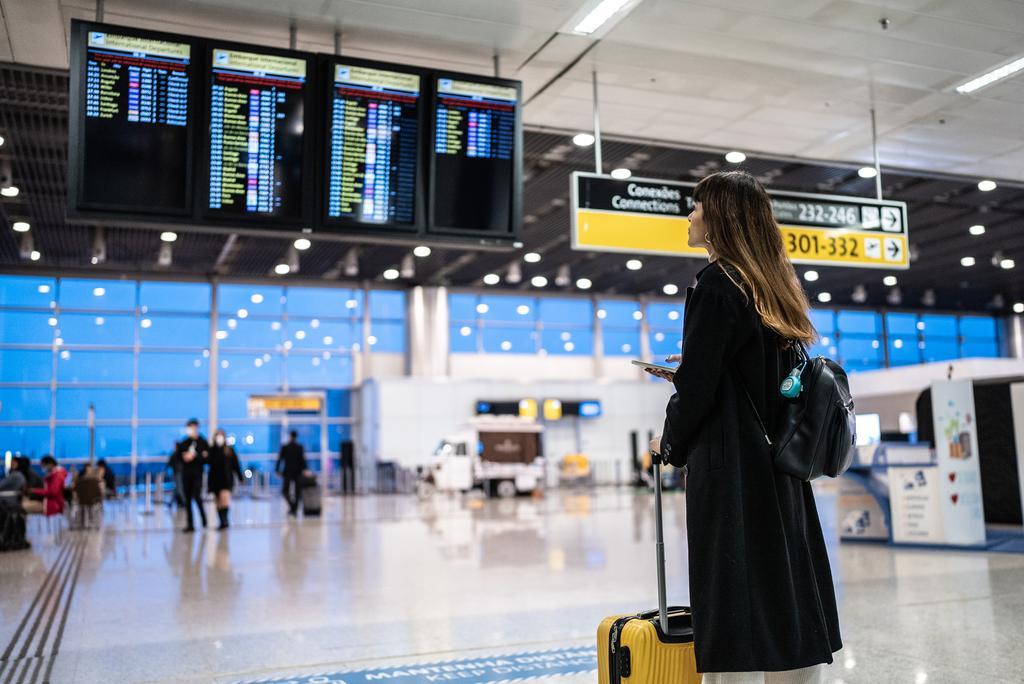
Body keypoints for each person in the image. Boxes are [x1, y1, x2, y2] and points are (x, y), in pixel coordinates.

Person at [648, 171, 841, 682]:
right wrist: (695, 363)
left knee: (730, 590)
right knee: (785, 586)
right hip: (780, 463)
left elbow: (699, 390)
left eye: (696, 207)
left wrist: (669, 442)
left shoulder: (717, 283)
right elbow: (759, 371)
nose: (689, 217)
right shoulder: (770, 281)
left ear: (719, 217)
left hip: (731, 466)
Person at [173, 419, 209, 532]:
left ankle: (204, 520)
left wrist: (195, 456)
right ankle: (190, 524)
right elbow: (177, 458)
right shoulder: (184, 443)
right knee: (187, 499)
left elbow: (207, 458)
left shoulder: (203, 442)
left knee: (197, 497)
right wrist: (184, 457)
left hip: (197, 474)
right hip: (186, 474)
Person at [207, 429, 243, 530]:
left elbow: (236, 464)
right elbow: (207, 462)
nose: (219, 438)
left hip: (226, 479)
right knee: (218, 502)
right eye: (217, 435)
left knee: (225, 500)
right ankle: (222, 522)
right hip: (214, 480)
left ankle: (225, 520)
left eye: (221, 435)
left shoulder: (229, 450)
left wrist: (240, 477)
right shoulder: (212, 450)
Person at [276, 431, 306, 517]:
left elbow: (280, 459)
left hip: (287, 472)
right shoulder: (299, 447)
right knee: (297, 492)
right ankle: (294, 508)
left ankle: (292, 507)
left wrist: (277, 470)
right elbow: (302, 460)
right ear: (296, 437)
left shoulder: (285, 447)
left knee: (285, 491)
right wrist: (305, 469)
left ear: (290, 436)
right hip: (297, 472)